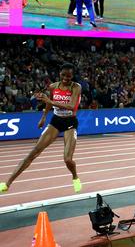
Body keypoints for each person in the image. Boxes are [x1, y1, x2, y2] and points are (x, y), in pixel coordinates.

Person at [0, 63, 83, 194]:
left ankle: (75, 177)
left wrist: (50, 102)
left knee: (67, 159)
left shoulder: (76, 87)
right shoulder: (53, 87)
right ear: (59, 74)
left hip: (70, 123)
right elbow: (48, 104)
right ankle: (7, 183)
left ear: (72, 76)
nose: (66, 78)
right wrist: (44, 117)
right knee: (33, 153)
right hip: (55, 121)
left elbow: (72, 106)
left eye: (69, 75)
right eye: (63, 75)